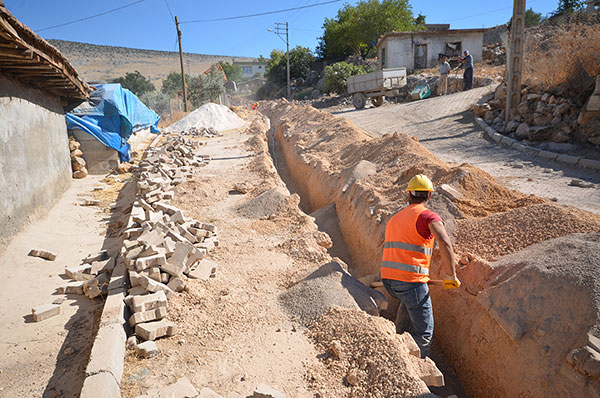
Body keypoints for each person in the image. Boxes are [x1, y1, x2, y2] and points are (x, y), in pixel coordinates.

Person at [381, 174, 460, 358]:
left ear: (409, 195)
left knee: (409, 307)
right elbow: (444, 241)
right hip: (410, 281)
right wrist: (451, 275)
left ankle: (395, 342)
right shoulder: (427, 216)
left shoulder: (395, 218)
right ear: (429, 196)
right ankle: (419, 373)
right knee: (423, 333)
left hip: (389, 281)